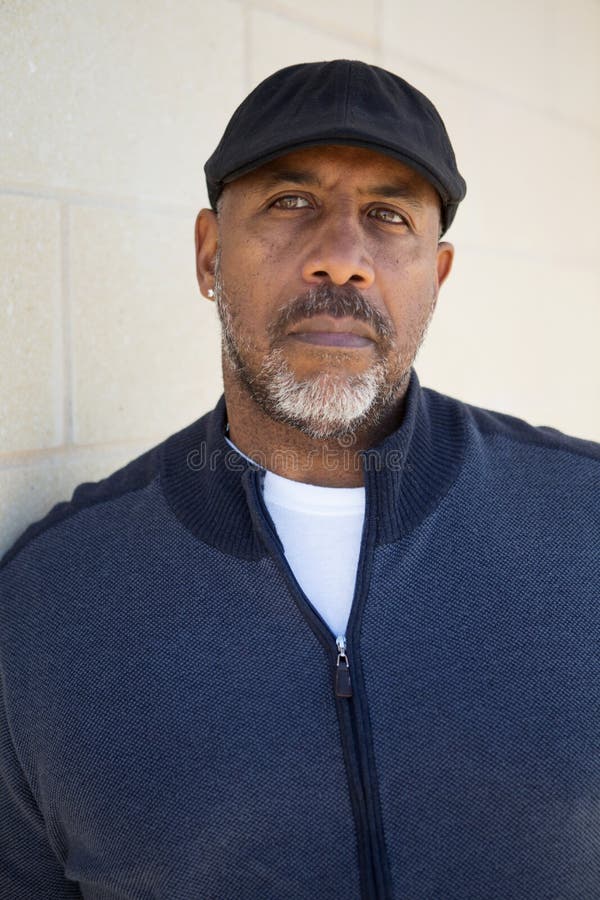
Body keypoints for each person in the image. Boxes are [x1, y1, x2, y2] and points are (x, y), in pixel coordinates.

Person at [0, 59, 598, 900]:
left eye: (388, 216)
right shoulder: (49, 603)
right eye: (290, 203)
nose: (342, 259)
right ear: (209, 254)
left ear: (438, 276)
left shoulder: (584, 523)